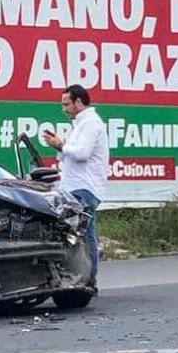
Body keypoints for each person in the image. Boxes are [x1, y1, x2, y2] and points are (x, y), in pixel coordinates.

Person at [42, 84, 109, 285]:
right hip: (76, 187)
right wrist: (60, 145)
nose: (63, 109)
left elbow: (82, 153)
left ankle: (87, 280)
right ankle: (85, 278)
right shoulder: (81, 124)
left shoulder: (91, 123)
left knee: (82, 236)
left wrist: (61, 145)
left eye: (66, 104)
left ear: (78, 102)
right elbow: (70, 154)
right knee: (81, 235)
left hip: (84, 188)